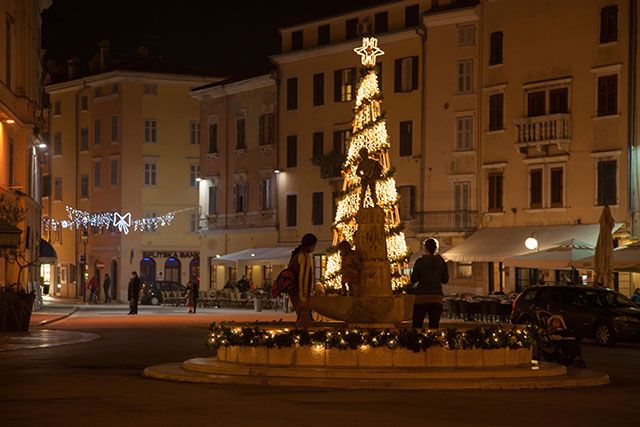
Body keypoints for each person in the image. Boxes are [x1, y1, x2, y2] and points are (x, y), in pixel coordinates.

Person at [409, 238, 449, 329]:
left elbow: (414, 279)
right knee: (434, 327)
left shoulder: (420, 262)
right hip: (437, 298)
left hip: (422, 297)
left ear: (425, 248)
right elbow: (445, 280)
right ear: (435, 248)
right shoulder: (442, 262)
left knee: (417, 326)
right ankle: (433, 343)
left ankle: (416, 342)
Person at [288, 233, 317, 325]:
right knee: (305, 322)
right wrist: (303, 296)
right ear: (312, 245)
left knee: (302, 319)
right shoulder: (304, 256)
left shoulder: (296, 254)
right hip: (299, 292)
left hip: (293, 291)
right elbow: (303, 277)